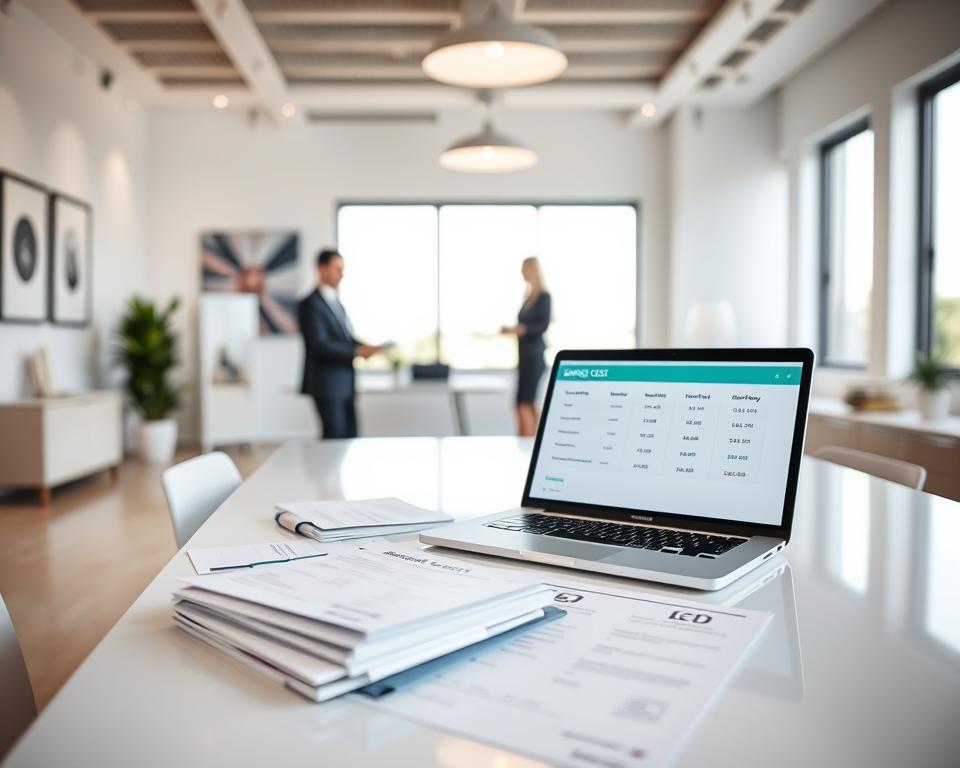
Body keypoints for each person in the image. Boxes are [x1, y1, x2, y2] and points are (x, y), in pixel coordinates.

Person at [299, 249, 383, 439]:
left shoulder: (337, 303)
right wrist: (357, 351)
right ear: (322, 269)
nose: (342, 274)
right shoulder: (310, 304)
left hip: (345, 383)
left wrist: (367, 348)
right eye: (337, 269)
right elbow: (320, 345)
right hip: (327, 385)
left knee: (350, 436)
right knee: (334, 438)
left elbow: (345, 338)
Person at [501, 257, 552, 437]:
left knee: (526, 403)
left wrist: (522, 329)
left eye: (524, 269)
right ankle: (524, 440)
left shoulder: (544, 297)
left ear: (532, 270)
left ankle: (529, 444)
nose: (522, 273)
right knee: (521, 404)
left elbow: (543, 325)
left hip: (535, 357)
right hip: (523, 357)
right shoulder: (528, 297)